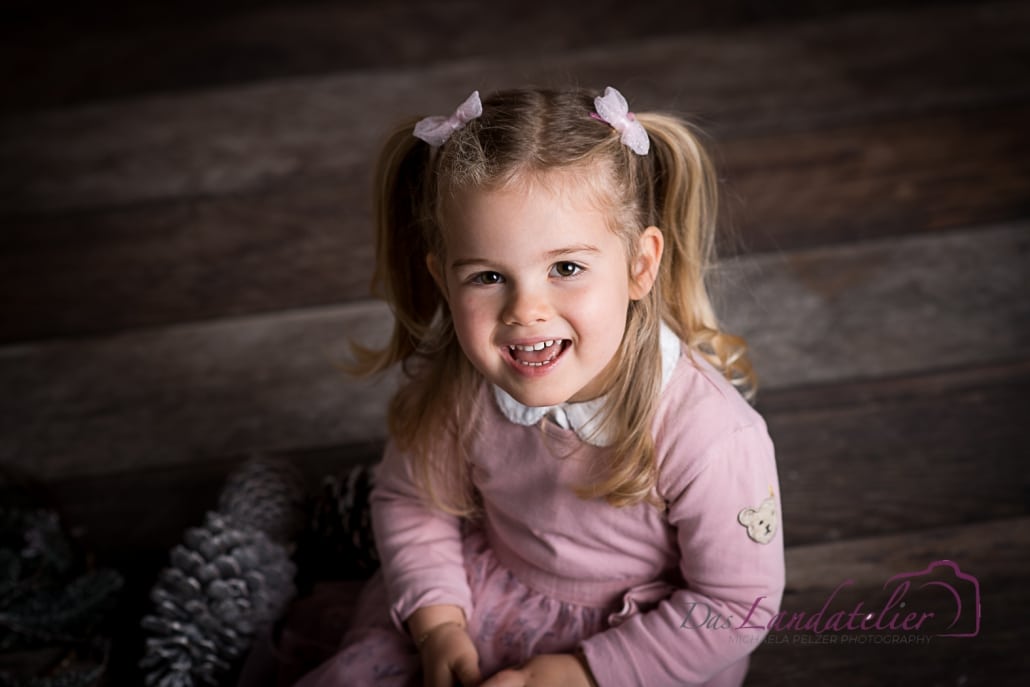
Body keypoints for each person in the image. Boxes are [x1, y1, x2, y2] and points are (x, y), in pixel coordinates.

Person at [294, 86, 785, 687]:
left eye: (566, 268)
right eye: (488, 277)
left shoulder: (710, 435)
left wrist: (581, 673)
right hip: (481, 597)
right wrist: (438, 622)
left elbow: (735, 605)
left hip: (638, 649)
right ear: (444, 280)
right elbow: (412, 501)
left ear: (639, 266)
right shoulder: (460, 387)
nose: (526, 310)